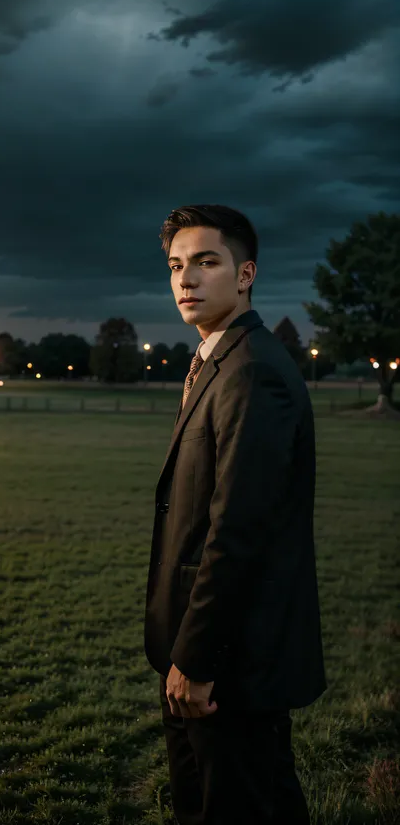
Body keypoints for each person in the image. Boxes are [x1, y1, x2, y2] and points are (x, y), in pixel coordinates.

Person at [143, 204, 327, 825]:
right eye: (175, 266)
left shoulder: (253, 372)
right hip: (203, 652)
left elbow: (239, 532)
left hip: (230, 664)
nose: (185, 279)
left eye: (205, 261)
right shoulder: (216, 362)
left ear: (245, 273)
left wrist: (197, 660)